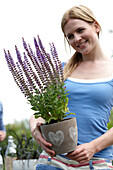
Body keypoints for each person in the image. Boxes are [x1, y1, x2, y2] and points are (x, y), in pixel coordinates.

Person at [29, 5, 113, 169]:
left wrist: (93, 146)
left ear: (96, 26)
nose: (77, 39)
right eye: (70, 36)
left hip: (96, 162)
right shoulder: (62, 70)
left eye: (81, 30)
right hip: (54, 161)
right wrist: (35, 128)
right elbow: (40, 112)